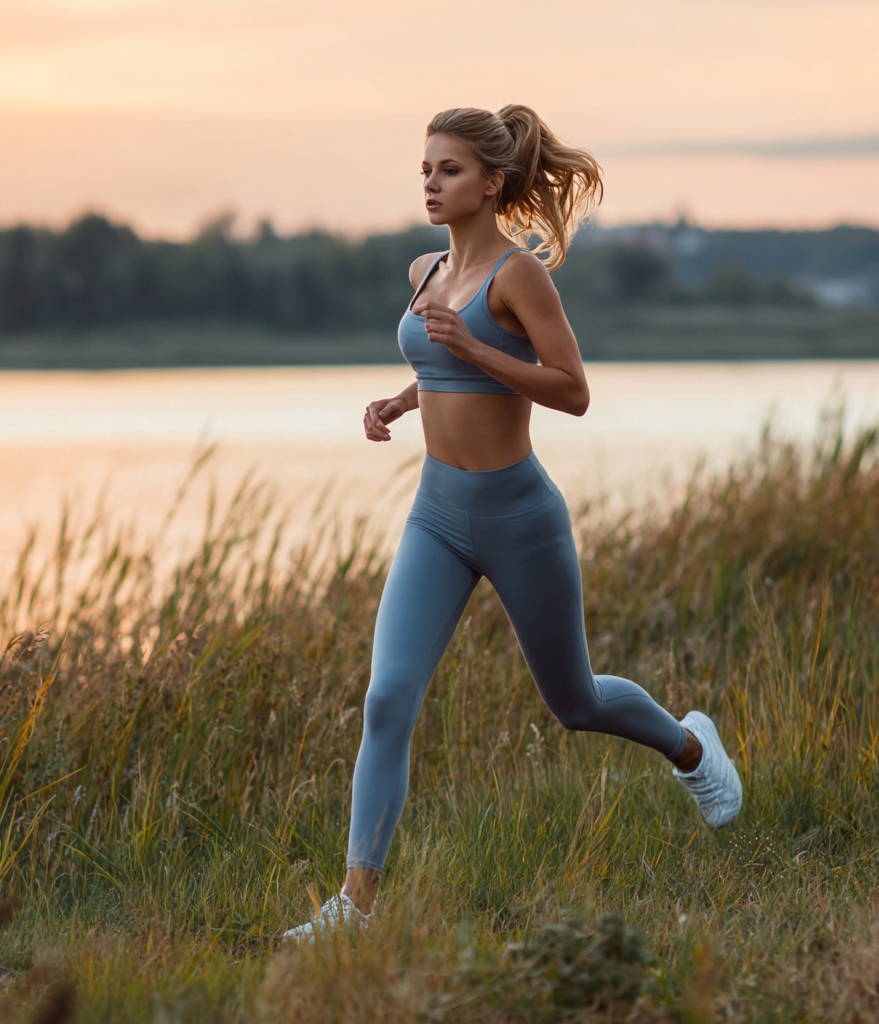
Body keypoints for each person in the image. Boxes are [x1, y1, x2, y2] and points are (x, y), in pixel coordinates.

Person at [282, 105, 741, 945]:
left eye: (448, 169)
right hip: (437, 515)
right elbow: (442, 362)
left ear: (491, 183)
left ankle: (690, 750)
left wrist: (476, 354)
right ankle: (354, 907)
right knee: (387, 700)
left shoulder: (521, 276)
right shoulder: (423, 270)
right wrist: (402, 396)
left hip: (519, 516)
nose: (430, 181)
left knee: (573, 701)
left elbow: (571, 389)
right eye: (425, 167)